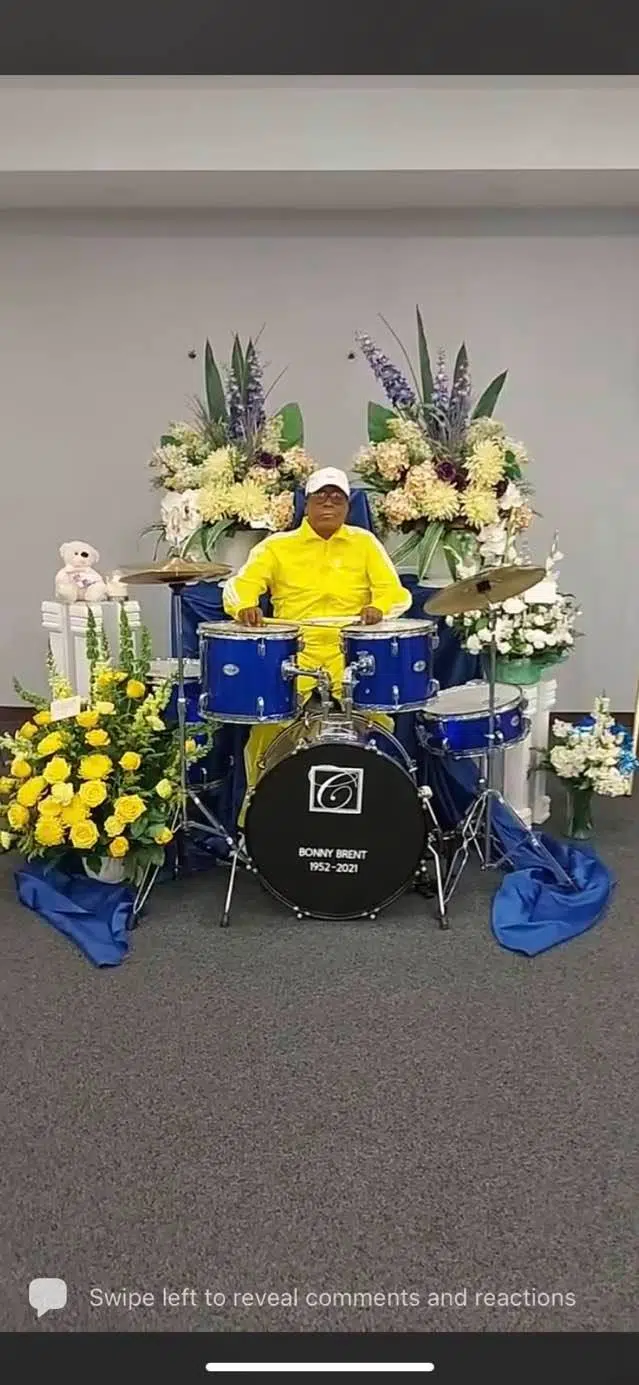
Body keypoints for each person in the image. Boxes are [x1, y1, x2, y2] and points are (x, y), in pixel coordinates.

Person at [222, 466, 412, 825]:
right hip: (294, 656)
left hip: (350, 655)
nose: (328, 503)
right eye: (320, 497)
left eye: (337, 498)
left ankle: (381, 822)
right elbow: (238, 588)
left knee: (379, 727)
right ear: (306, 505)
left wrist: (379, 608)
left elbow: (397, 594)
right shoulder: (276, 546)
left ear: (347, 507)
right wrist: (245, 606)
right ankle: (257, 823)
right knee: (266, 730)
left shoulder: (365, 543)